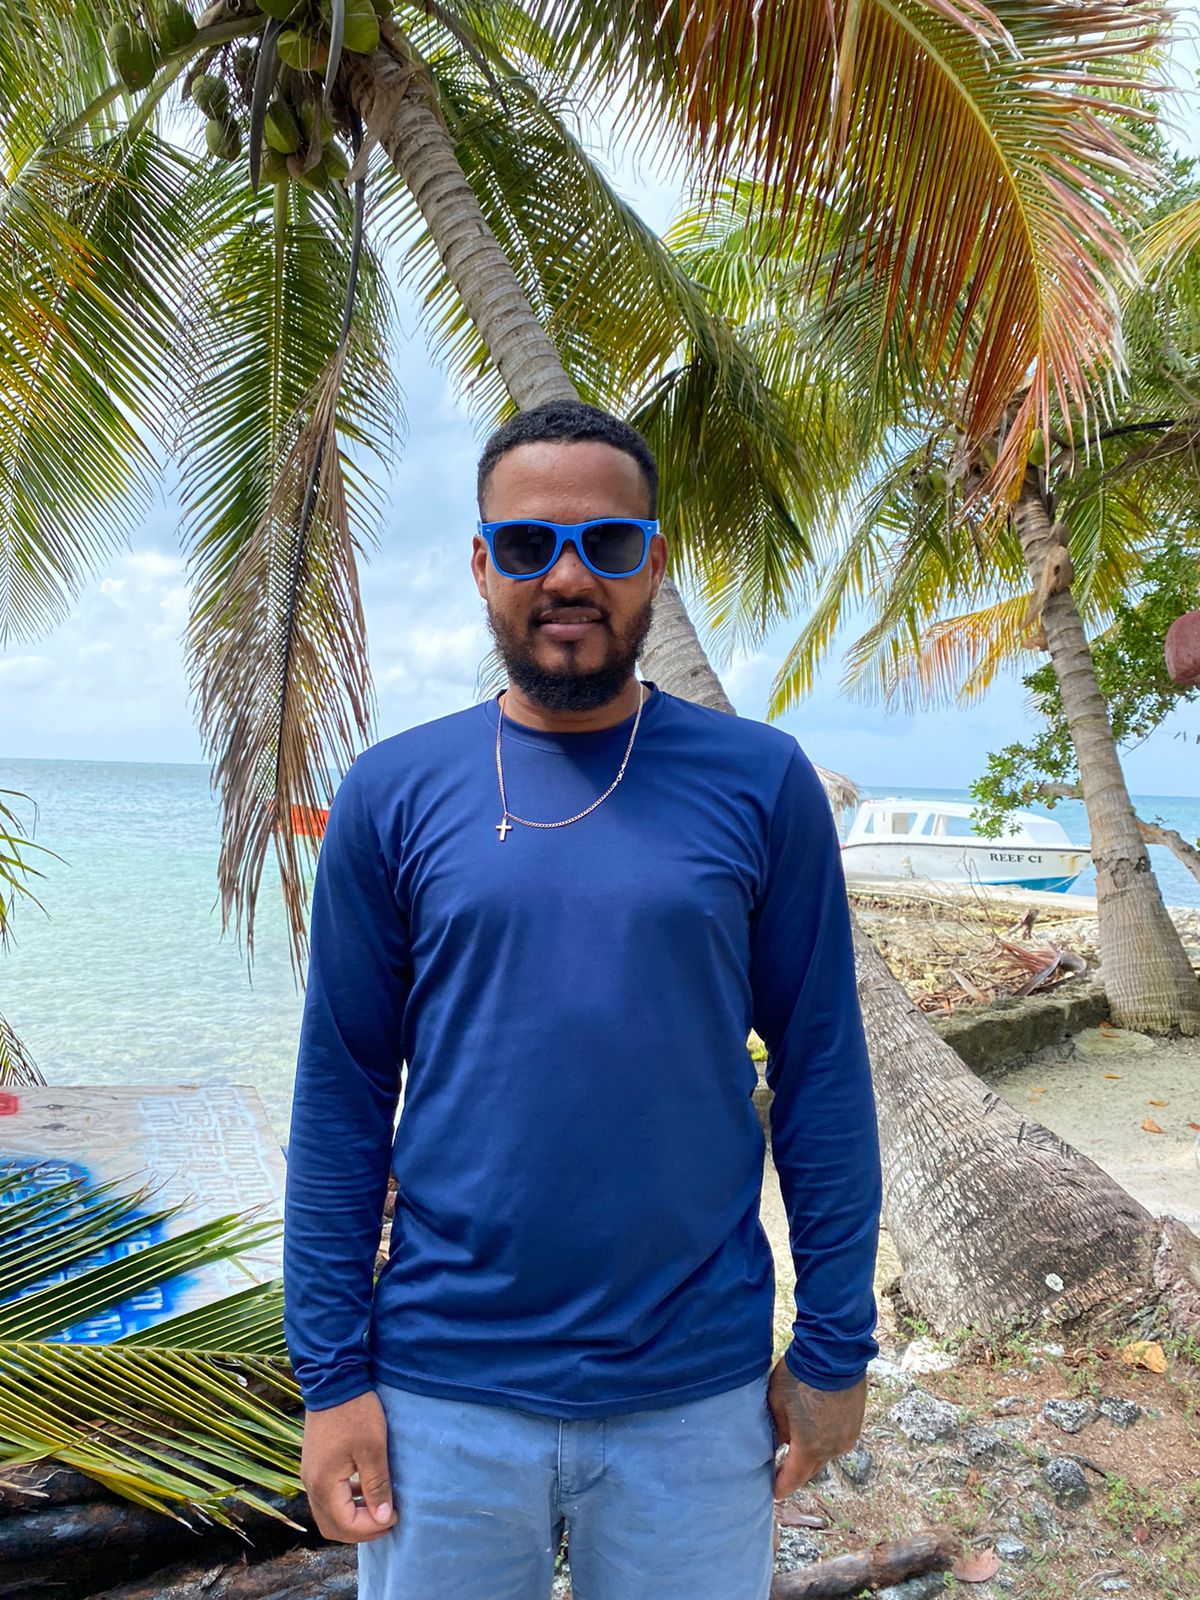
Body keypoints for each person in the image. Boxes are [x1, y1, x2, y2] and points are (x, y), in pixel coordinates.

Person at [283, 399, 882, 1600]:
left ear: (652, 559)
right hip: (442, 1391)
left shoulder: (762, 784)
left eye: (608, 544)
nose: (567, 576)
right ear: (479, 565)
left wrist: (833, 1348)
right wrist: (331, 1378)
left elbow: (821, 1073)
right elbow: (344, 1097)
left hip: (694, 1395)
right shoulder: (392, 793)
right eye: (526, 546)